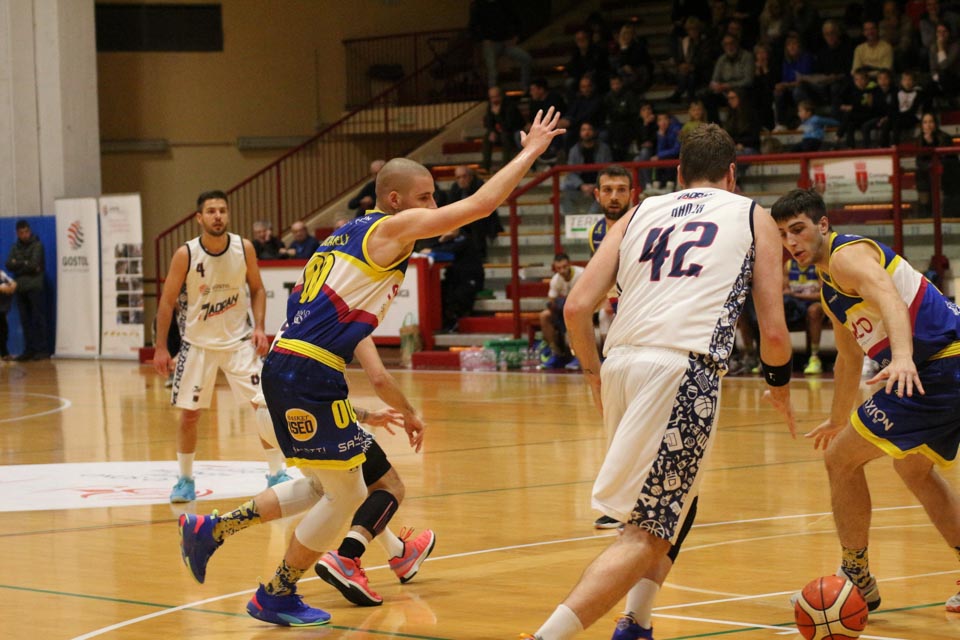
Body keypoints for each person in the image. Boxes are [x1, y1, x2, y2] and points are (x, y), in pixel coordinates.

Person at [229, 107, 562, 626]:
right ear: (395, 200)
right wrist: (531, 153)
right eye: (425, 198)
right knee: (345, 493)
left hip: (292, 365)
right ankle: (301, 578)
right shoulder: (392, 228)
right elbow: (480, 205)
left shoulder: (346, 235)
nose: (434, 207)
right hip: (305, 370)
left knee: (341, 487)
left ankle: (298, 559)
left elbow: (317, 314)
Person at [521, 124, 795, 640]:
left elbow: (576, 307)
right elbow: (775, 333)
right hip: (682, 371)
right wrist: (779, 386)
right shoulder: (752, 214)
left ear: (678, 173)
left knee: (678, 503)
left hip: (621, 363)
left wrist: (592, 374)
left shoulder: (639, 212)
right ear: (731, 174)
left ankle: (637, 622)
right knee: (645, 532)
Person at [771, 187, 960, 616]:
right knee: (913, 469)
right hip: (944, 369)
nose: (791, 242)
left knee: (841, 460)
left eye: (798, 229)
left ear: (823, 225)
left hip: (938, 367)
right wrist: (838, 418)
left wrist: (904, 357)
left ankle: (856, 577)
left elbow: (889, 297)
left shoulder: (846, 257)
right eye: (783, 235)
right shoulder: (829, 286)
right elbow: (849, 357)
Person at [179, 334, 437, 609]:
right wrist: (409, 412)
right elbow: (379, 378)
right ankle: (319, 572)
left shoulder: (301, 313)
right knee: (383, 486)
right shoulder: (350, 316)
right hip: (310, 416)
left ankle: (215, 528)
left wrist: (365, 415)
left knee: (330, 487)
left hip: (270, 412)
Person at [153, 190, 285, 503]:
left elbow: (258, 289)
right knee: (189, 416)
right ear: (199, 218)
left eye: (222, 210)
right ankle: (185, 480)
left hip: (239, 342)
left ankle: (277, 474)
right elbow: (167, 302)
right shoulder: (186, 254)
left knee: (264, 408)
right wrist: (160, 347)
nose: (218, 216)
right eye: (211, 211)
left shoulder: (244, 247)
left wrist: (260, 327)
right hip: (197, 344)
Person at [5, 220, 48, 360]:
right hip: (20, 288)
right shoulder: (14, 247)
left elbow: (34, 264)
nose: (24, 235)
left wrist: (18, 265)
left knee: (38, 318)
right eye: (21, 233)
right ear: (17, 233)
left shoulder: (37, 245)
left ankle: (42, 350)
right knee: (25, 321)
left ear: (29, 231)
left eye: (26, 232)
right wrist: (26, 264)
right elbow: (8, 264)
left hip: (34, 287)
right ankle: (29, 350)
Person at [469, 0, 532, 90]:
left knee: (526, 59)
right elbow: (472, 27)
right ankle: (493, 94)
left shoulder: (503, 4)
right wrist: (483, 39)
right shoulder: (480, 6)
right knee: (493, 72)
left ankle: (525, 88)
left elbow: (516, 20)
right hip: (491, 44)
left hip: (505, 43)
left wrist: (515, 37)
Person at [538, 253, 585, 370]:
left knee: (573, 313)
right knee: (544, 316)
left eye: (564, 267)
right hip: (565, 310)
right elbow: (551, 300)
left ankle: (579, 356)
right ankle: (556, 353)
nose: (562, 271)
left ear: (569, 264)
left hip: (584, 308)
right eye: (558, 268)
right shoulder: (555, 280)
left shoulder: (581, 274)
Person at [783, 257, 824, 374]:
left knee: (814, 310)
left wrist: (796, 295)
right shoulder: (789, 265)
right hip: (795, 305)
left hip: (815, 304)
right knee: (777, 310)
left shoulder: (818, 266)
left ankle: (814, 357)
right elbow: (784, 292)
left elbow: (822, 295)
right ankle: (777, 358)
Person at [481, 86, 524, 173]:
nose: (494, 99)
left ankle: (505, 165)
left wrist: (497, 115)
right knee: (487, 137)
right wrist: (492, 131)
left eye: (495, 97)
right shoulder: (491, 106)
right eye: (492, 97)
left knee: (505, 136)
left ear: (501, 96)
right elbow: (488, 122)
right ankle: (485, 166)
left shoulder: (510, 105)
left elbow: (509, 124)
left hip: (513, 132)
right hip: (500, 132)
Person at [0, 268, 15, 361]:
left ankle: (4, 353)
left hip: (1, 309)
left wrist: (8, 287)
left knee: (3, 331)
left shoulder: (2, 274)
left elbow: (13, 285)